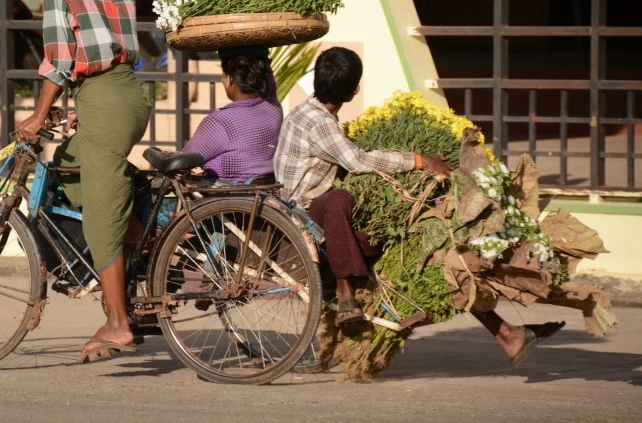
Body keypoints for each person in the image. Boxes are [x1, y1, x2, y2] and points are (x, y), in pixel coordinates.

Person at [274, 46, 563, 366]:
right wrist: (419, 160)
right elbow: (356, 161)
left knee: (440, 246)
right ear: (355, 90)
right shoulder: (318, 123)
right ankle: (346, 294)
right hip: (300, 212)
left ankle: (507, 333)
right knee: (359, 211)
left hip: (311, 203)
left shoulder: (310, 112)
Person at [15, 0, 151, 365]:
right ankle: (138, 251)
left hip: (104, 98)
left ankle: (118, 321)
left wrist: (37, 117)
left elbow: (59, 59)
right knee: (76, 166)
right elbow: (113, 50)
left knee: (98, 212)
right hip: (129, 96)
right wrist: (82, 109)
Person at [182, 46, 281, 184]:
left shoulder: (220, 122)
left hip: (227, 196)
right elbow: (269, 84)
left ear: (230, 79)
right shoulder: (273, 108)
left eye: (223, 76)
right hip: (262, 190)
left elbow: (183, 161)